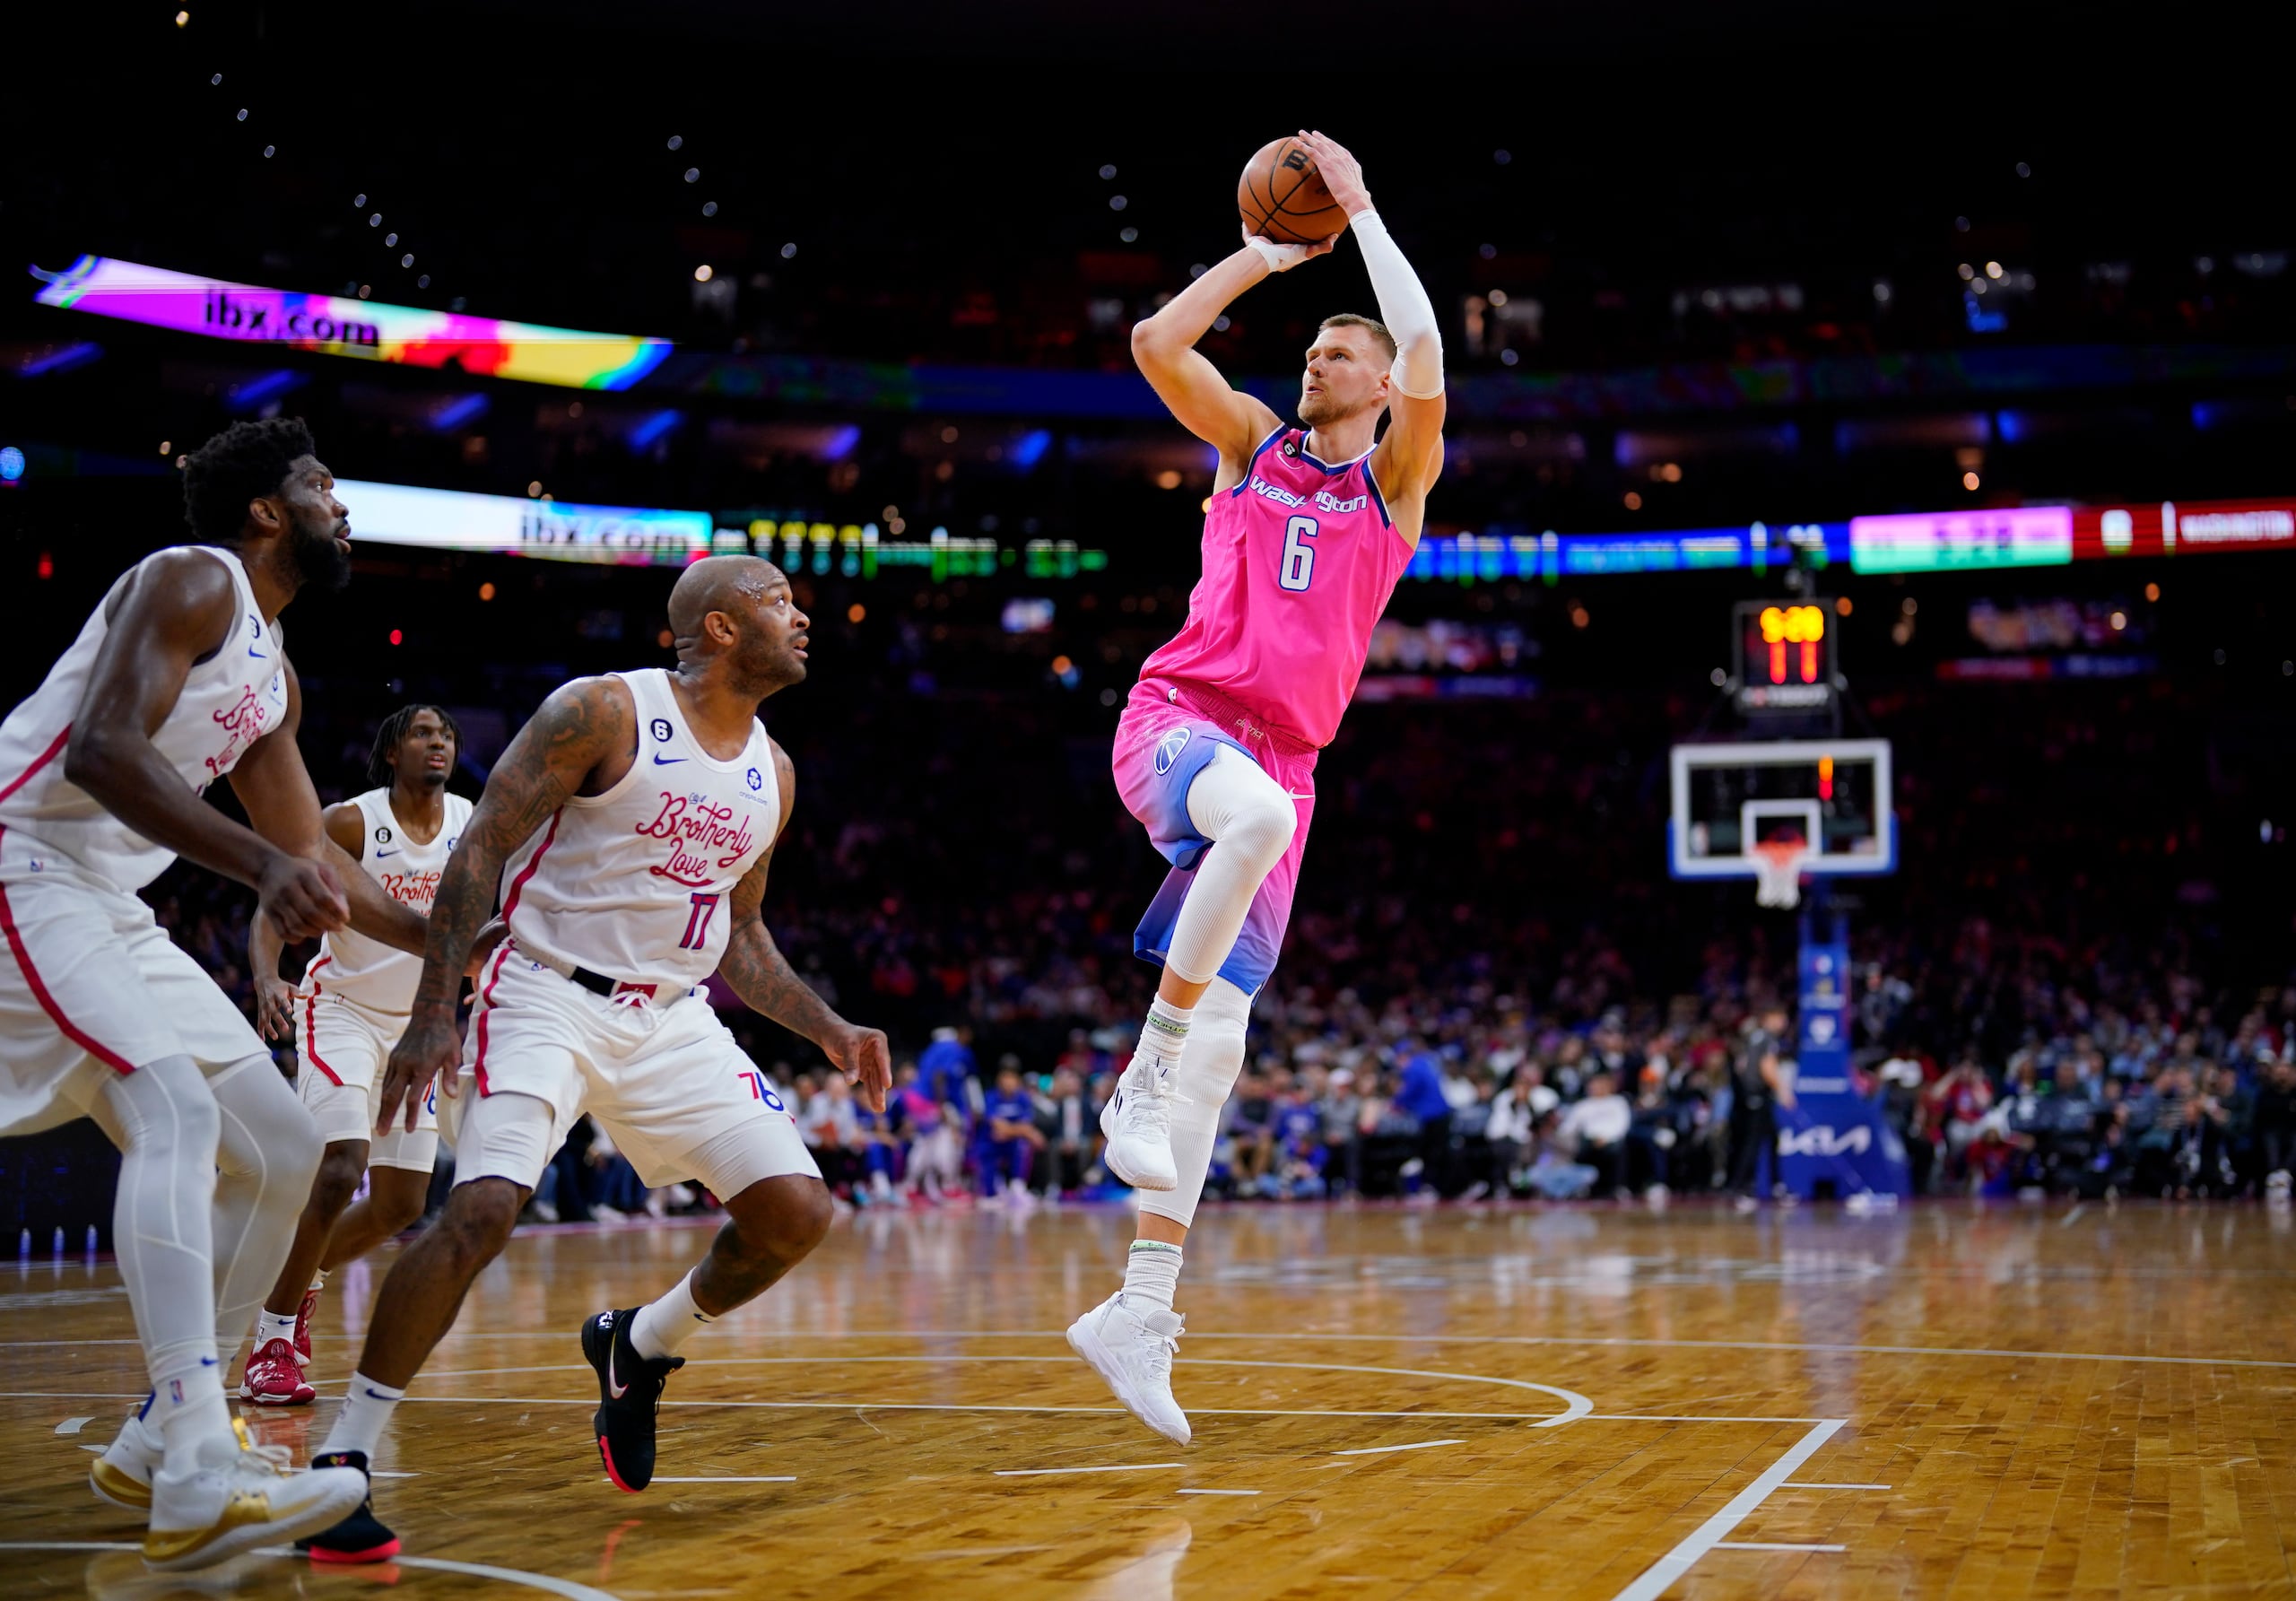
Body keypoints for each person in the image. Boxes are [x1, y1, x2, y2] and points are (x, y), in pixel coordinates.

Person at [300, 555, 891, 1562]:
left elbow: (741, 935)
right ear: (715, 627)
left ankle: (639, 1345)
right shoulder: (606, 712)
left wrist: (830, 1027)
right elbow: (481, 846)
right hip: (543, 994)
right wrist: (436, 1009)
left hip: (672, 1018)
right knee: (480, 1210)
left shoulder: (773, 773)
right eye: (778, 602)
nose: (802, 618)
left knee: (797, 1211)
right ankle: (343, 1460)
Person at [1068, 129, 1446, 1446]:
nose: (1316, 362)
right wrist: (1264, 254)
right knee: (1251, 835)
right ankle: (1138, 1071)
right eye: (1313, 348)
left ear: (1383, 381)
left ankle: (1140, 1311)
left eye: (1341, 353)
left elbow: (1433, 364)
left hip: (1284, 768)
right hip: (1179, 722)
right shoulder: (1252, 448)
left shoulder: (1393, 487)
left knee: (1221, 1064)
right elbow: (1158, 349)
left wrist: (1363, 207)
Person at [0, 419, 430, 1568]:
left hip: (107, 900)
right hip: (23, 862)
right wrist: (261, 870)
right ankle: (197, 1462)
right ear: (266, 512)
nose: (344, 504)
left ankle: (153, 1444)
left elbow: (315, 860)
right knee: (177, 1115)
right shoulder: (191, 578)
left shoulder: (272, 674)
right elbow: (99, 749)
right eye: (323, 485)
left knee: (288, 1153)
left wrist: (448, 941)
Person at [241, 706, 474, 1406]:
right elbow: (277, 892)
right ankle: (275, 1337)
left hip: (417, 1027)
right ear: (392, 750)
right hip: (339, 1011)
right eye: (423, 733)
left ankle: (294, 1275)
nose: (439, 742)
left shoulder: (472, 825)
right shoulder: (353, 821)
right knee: (342, 1165)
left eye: (448, 735)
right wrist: (264, 974)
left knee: (402, 1201)